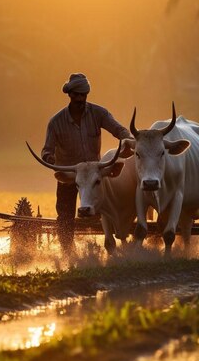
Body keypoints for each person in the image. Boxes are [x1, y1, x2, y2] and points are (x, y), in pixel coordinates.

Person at [41, 72, 132, 252]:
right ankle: (68, 252)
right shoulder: (56, 122)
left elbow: (119, 130)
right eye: (76, 95)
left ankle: (120, 238)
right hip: (70, 175)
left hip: (93, 175)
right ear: (69, 95)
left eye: (83, 95)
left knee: (110, 207)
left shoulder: (99, 113)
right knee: (65, 214)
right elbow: (46, 150)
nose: (80, 98)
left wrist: (128, 140)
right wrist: (48, 158)